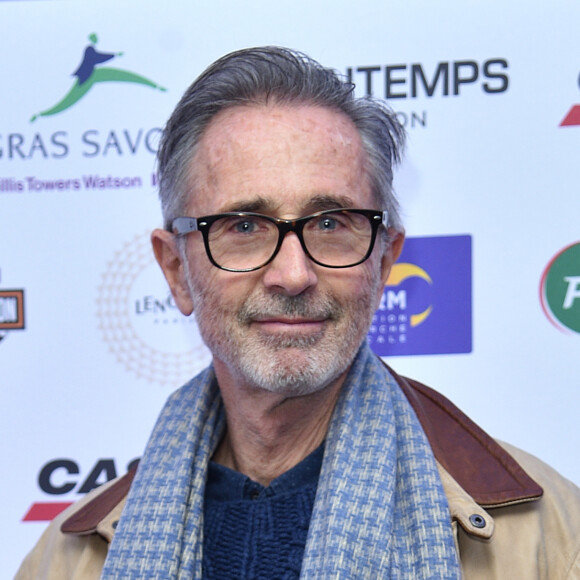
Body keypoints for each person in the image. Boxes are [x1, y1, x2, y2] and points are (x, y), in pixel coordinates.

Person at [15, 46, 580, 579]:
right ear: (175, 271)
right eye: (243, 227)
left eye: (331, 224)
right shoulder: (67, 561)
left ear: (384, 265)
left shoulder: (549, 539)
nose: (293, 274)